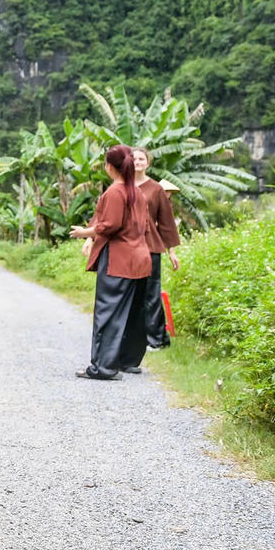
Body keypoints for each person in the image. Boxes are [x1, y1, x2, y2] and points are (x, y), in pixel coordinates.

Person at [69, 145, 152, 380]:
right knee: (124, 314)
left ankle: (102, 367)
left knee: (107, 313)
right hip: (138, 259)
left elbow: (111, 225)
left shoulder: (115, 192)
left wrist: (86, 233)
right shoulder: (137, 192)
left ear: (109, 166)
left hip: (118, 259)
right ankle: (114, 364)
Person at [131, 147, 181, 358]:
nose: (137, 162)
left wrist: (172, 251)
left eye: (141, 159)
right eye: (134, 159)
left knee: (151, 293)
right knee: (132, 295)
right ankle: (144, 337)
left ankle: (156, 339)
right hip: (128, 248)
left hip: (150, 246)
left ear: (148, 163)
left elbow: (167, 222)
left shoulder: (156, 189)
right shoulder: (122, 186)